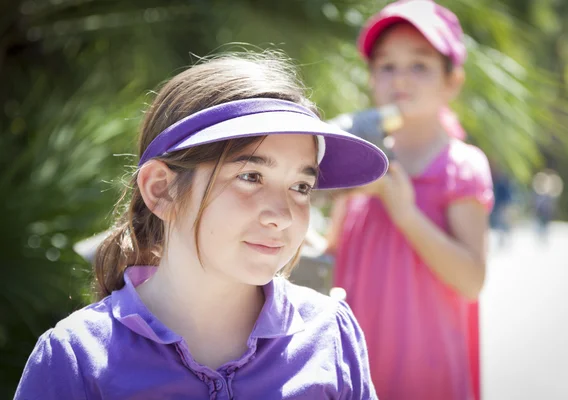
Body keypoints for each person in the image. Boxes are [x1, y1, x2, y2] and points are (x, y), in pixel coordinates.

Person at [15, 52, 388, 399]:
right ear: (161, 190)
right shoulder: (74, 357)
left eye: (301, 186)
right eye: (251, 176)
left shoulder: (330, 333)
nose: (283, 215)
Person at [326, 1, 494, 399]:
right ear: (371, 78)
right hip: (357, 370)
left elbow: (471, 280)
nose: (400, 78)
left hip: (427, 375)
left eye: (419, 65)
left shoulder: (460, 167)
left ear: (452, 81)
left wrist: (404, 213)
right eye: (386, 66)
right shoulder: (360, 159)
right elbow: (331, 255)